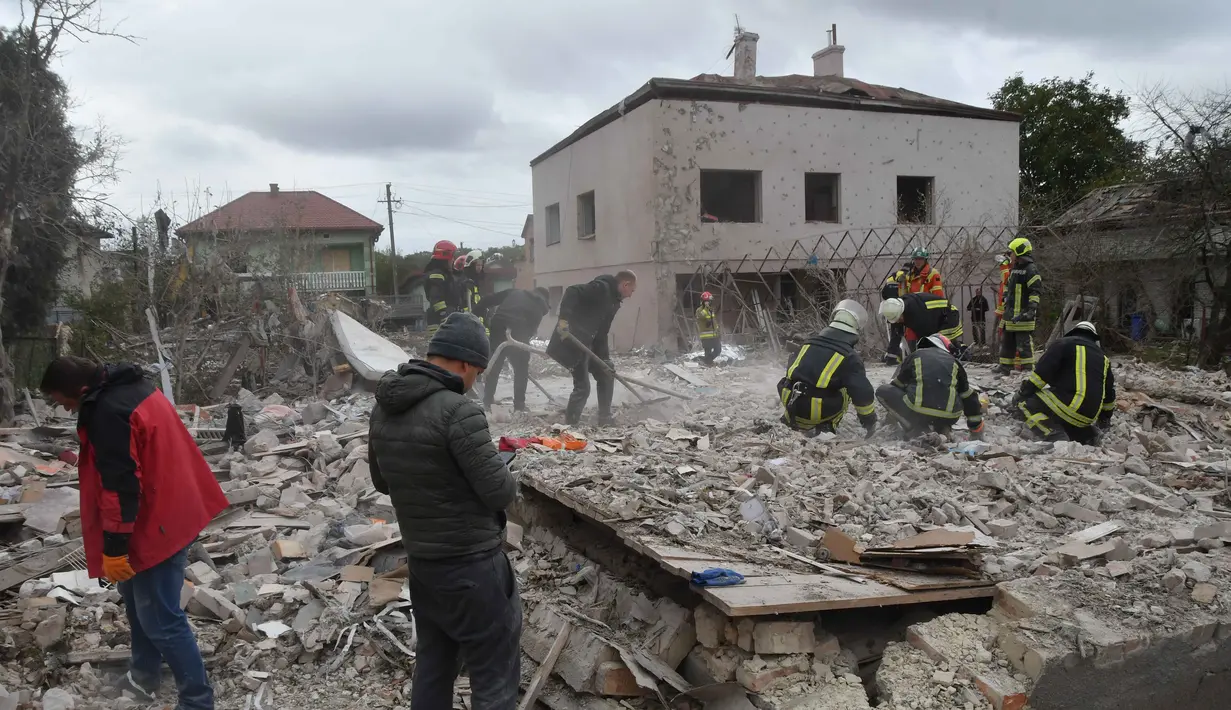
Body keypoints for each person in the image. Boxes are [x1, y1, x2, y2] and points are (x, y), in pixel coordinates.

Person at [39, 357, 226, 710]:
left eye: (64, 401)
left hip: (157, 521)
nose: (65, 409)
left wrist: (114, 547)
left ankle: (197, 701)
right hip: (172, 505)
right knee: (140, 605)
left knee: (161, 618)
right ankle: (144, 676)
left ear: (82, 389)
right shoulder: (131, 386)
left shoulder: (109, 412)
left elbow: (120, 486)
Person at [368, 312, 520, 710]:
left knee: (434, 668)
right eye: (478, 373)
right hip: (472, 568)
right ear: (466, 364)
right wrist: (502, 466)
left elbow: (382, 481)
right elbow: (499, 493)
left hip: (423, 565)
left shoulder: (384, 407)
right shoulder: (458, 410)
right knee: (494, 677)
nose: (476, 382)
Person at [547, 270, 637, 426]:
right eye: (632, 290)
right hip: (571, 341)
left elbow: (602, 333)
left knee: (606, 373)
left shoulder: (614, 302)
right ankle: (570, 424)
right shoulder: (601, 288)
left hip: (587, 343)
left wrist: (605, 359)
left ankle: (604, 418)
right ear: (625, 284)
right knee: (583, 387)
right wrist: (563, 320)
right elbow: (572, 291)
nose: (630, 295)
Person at [778, 300, 877, 438]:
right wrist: (869, 420)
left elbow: (792, 372)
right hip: (815, 411)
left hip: (790, 402)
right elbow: (862, 393)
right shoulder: (849, 357)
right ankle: (827, 425)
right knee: (846, 389)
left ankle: (789, 420)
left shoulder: (807, 344)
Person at [1012, 321, 1116, 444]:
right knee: (1067, 414)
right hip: (1088, 416)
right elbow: (1109, 395)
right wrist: (1104, 419)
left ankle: (1053, 434)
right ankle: (1088, 435)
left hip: (1069, 405)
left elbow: (1041, 375)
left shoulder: (1063, 344)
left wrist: (1024, 393)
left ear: (1074, 332)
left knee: (1025, 404)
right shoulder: (1104, 358)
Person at [875, 334, 984, 439]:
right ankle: (942, 427)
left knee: (882, 391)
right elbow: (968, 396)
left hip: (918, 412)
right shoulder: (955, 362)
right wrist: (976, 428)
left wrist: (893, 416)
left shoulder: (915, 356)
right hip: (948, 416)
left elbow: (897, 386)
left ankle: (915, 428)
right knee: (959, 393)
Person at [482, 287, 551, 412]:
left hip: (498, 324)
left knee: (495, 364)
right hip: (518, 329)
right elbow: (530, 332)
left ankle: (487, 401)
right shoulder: (540, 306)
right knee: (521, 368)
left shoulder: (515, 292)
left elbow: (488, 300)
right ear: (545, 299)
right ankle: (519, 405)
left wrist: (477, 316)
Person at [999, 237, 1042, 374]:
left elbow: (1035, 291)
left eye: (1011, 252)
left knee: (1023, 344)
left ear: (1019, 252)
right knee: (1007, 343)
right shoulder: (1015, 269)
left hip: (1023, 315)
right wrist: (1006, 297)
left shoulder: (1031, 270)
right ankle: (1005, 367)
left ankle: (1028, 369)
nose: (1010, 255)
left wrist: (1031, 309)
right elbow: (1008, 286)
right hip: (1011, 314)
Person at [878, 292, 964, 354]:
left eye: (898, 319)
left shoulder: (918, 316)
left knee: (942, 345)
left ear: (902, 312)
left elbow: (927, 338)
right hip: (938, 316)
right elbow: (897, 331)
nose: (898, 322)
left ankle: (961, 352)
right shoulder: (900, 305)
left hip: (949, 317)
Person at [424, 240, 458, 336]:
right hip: (439, 321)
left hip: (443, 319)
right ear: (445, 258)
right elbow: (436, 297)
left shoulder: (445, 274)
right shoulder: (437, 275)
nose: (453, 260)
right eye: (452, 257)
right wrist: (443, 314)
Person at [881, 263, 911, 364]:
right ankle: (902, 356)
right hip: (903, 309)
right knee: (906, 334)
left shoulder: (891, 277)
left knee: (895, 334)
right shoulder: (907, 277)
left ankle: (892, 356)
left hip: (891, 310)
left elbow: (884, 294)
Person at [696, 291, 721, 365]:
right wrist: (706, 309)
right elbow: (700, 316)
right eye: (708, 301)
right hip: (706, 337)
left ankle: (707, 360)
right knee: (708, 352)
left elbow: (714, 321)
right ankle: (708, 363)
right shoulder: (699, 310)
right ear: (704, 302)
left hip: (714, 336)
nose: (709, 303)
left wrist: (718, 331)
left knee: (718, 350)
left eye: (710, 301)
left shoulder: (711, 310)